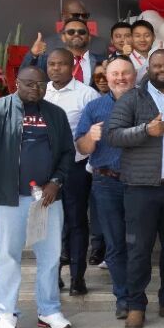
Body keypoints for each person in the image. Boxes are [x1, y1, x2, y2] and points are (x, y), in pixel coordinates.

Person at [0, 65, 74, 328]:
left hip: (46, 200)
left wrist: (56, 181)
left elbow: (67, 153)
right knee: (8, 258)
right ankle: (6, 314)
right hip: (8, 199)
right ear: (17, 83)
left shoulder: (55, 114)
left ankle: (49, 310)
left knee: (50, 257)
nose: (37, 89)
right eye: (30, 84)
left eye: (42, 85)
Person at [106, 49, 164, 328]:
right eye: (157, 66)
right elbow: (113, 135)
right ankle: (136, 305)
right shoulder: (132, 98)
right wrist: (145, 130)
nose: (163, 70)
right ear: (148, 68)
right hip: (141, 189)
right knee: (139, 250)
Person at [77, 55, 136, 318]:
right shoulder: (95, 107)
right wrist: (90, 137)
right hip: (106, 183)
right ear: (106, 77)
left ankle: (137, 296)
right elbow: (81, 148)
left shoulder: (147, 102)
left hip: (140, 183)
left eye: (125, 73)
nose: (120, 78)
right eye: (115, 74)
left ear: (134, 75)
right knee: (115, 243)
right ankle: (123, 298)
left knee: (138, 243)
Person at [42, 49, 99, 296]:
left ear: (72, 66)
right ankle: (53, 275)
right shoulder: (40, 91)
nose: (56, 68)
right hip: (44, 170)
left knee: (76, 222)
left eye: (61, 64)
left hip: (75, 168)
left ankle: (78, 278)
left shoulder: (86, 94)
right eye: (51, 64)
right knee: (49, 224)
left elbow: (94, 133)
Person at [24, 17, 98, 84]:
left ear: (89, 37)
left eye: (81, 32)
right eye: (71, 32)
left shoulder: (99, 61)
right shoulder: (48, 60)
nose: (76, 34)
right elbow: (24, 77)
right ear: (63, 37)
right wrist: (33, 55)